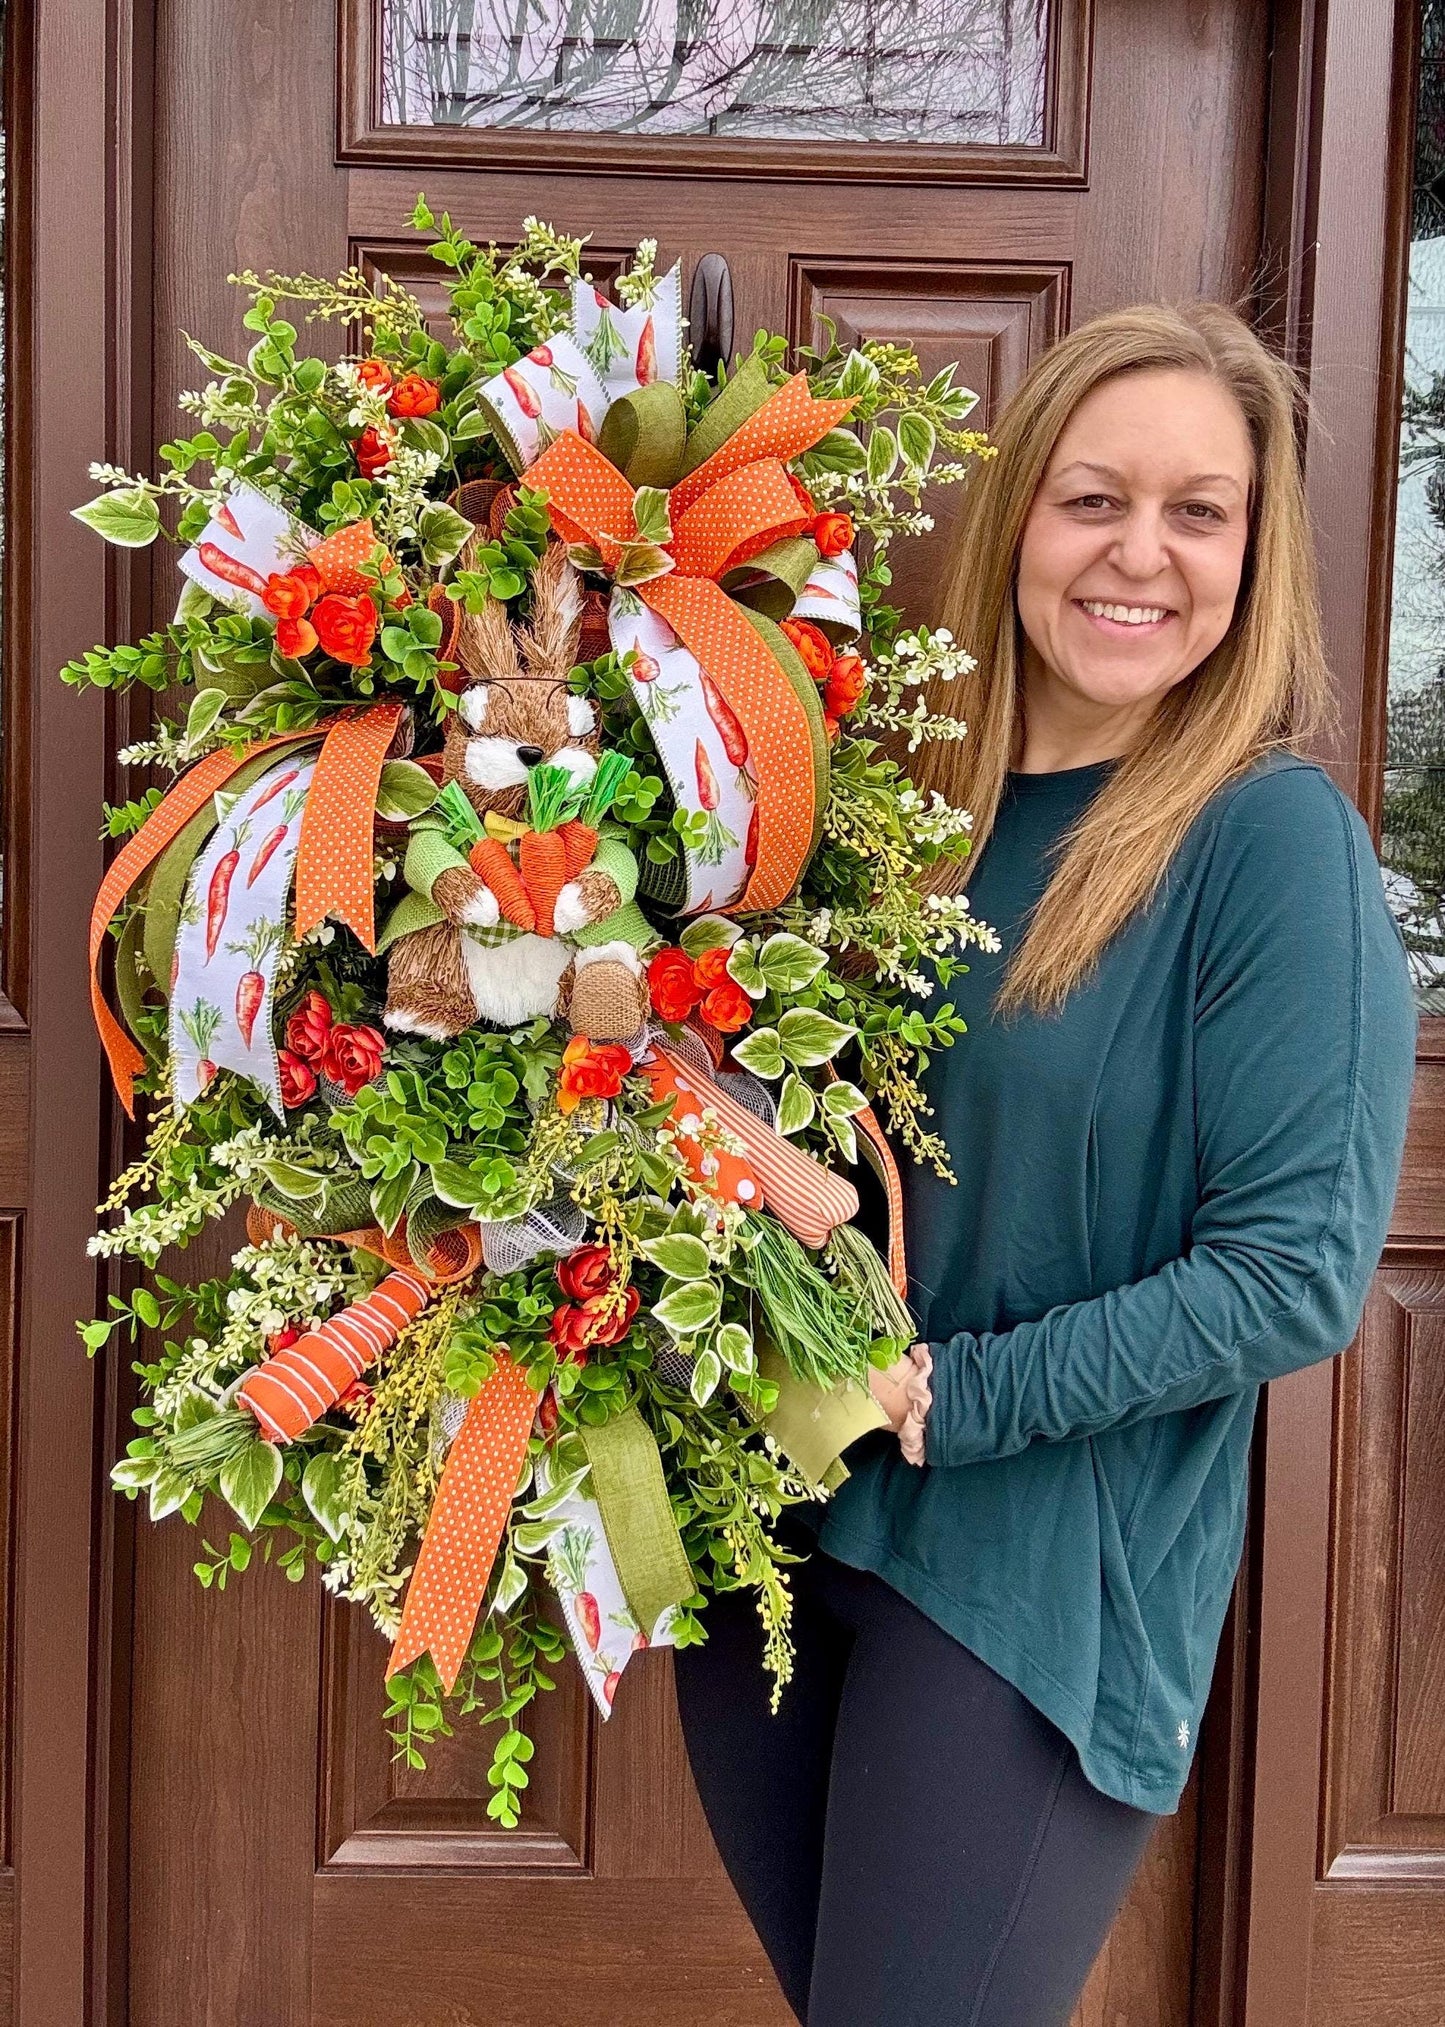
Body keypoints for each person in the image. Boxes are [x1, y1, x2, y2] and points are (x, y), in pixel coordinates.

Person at [673, 303, 1417, 2026]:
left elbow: (1296, 1268)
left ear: (1253, 551)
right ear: (1018, 521)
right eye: (1093, 499)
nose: (1137, 555)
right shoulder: (888, 808)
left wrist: (952, 1397)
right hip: (777, 1545)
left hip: (1026, 1579)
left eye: (1197, 511)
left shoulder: (1264, 841)